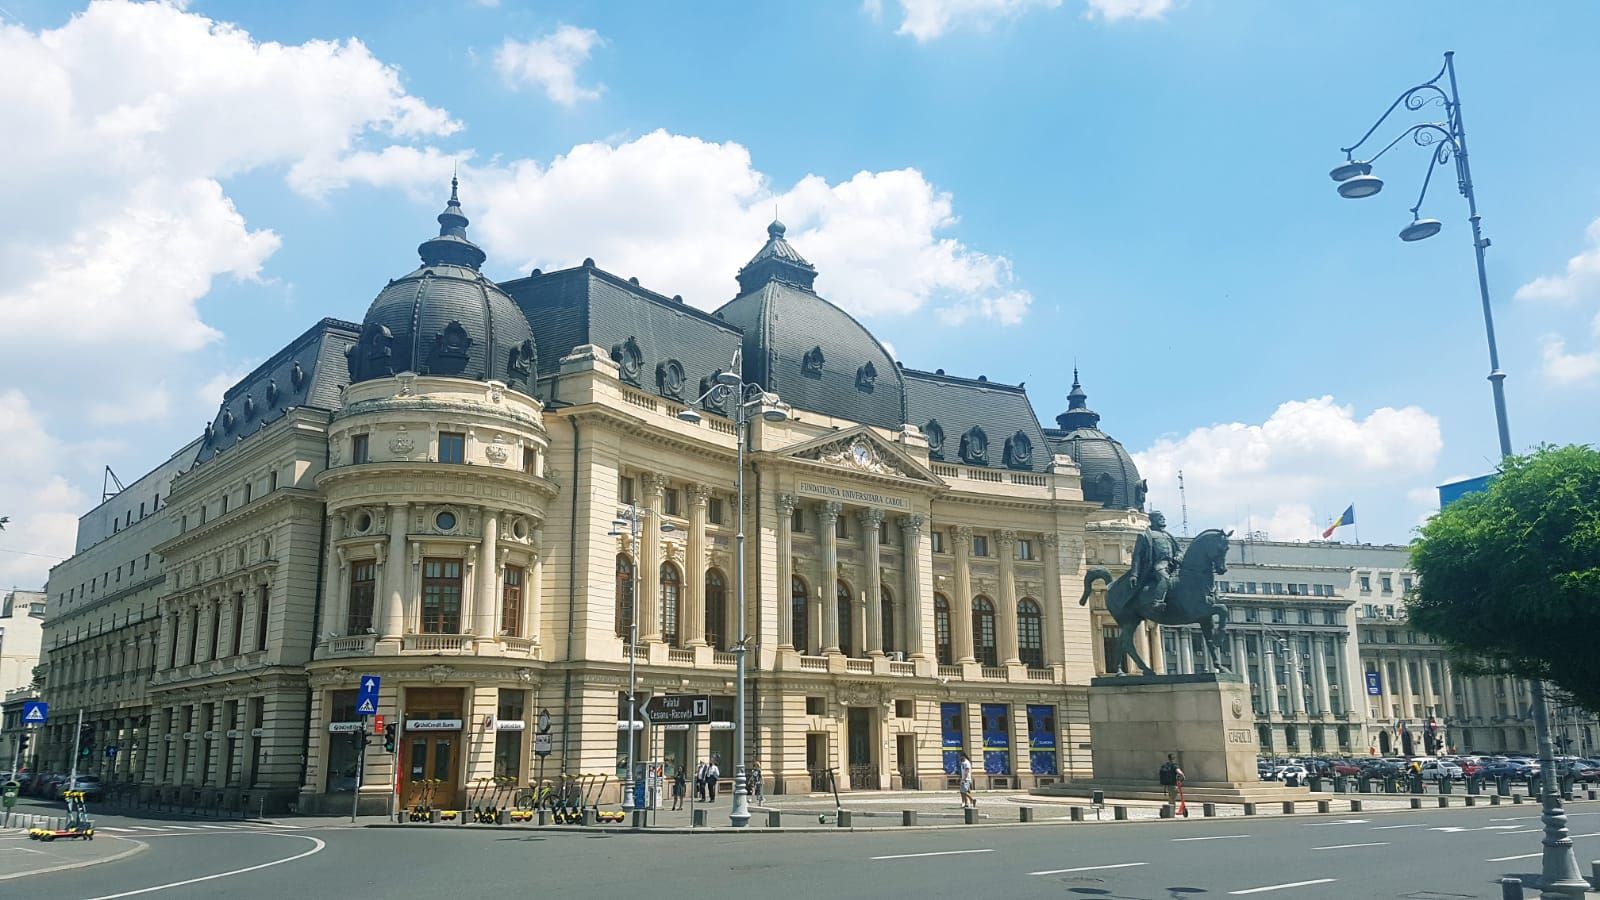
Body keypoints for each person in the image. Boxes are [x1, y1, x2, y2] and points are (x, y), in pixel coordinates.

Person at [1130, 511, 1184, 620]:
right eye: (1160, 517)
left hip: (1173, 565)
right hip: (1158, 564)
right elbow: (1137, 556)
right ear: (1153, 519)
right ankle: (1157, 602)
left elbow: (1179, 551)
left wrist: (1179, 557)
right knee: (1164, 579)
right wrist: (1134, 574)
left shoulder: (1168, 535)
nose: (1163, 519)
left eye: (1163, 517)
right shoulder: (1146, 535)